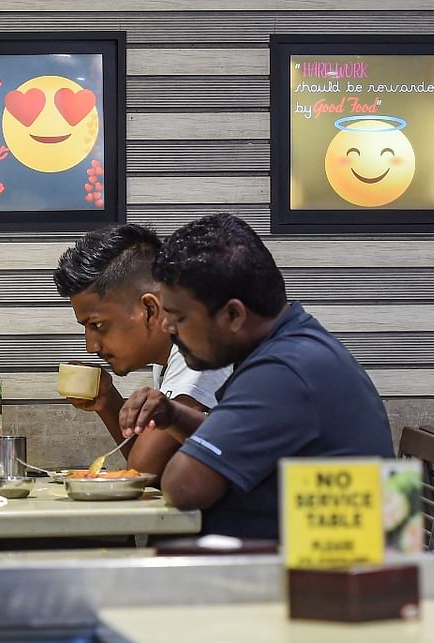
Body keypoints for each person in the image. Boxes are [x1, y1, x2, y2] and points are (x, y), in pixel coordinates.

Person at [119, 213, 394, 539]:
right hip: (315, 561)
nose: (167, 327)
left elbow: (183, 487)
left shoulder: (282, 372)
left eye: (179, 316)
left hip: (334, 576)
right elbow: (233, 445)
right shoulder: (295, 346)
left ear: (233, 314)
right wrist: (175, 415)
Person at [52, 224, 230, 476]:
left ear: (149, 310)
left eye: (98, 325)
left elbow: (143, 467)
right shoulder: (167, 357)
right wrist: (107, 400)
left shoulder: (200, 348)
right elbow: (147, 464)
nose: (91, 347)